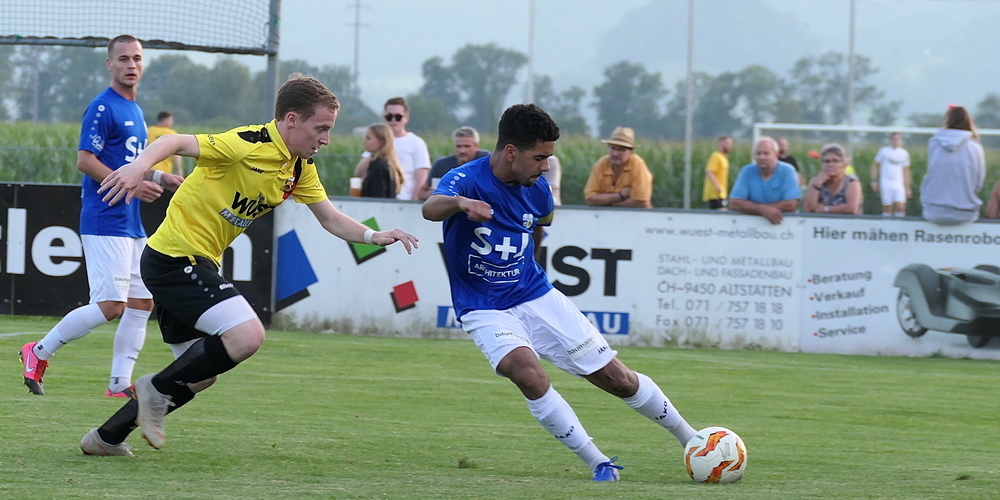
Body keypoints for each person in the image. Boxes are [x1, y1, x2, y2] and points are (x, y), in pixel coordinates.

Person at [79, 73, 419, 457]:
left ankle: (105, 438)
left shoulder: (298, 168)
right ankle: (153, 389)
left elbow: (330, 218)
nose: (325, 139)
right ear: (291, 119)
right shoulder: (246, 143)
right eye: (320, 128)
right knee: (247, 336)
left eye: (329, 130)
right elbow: (175, 141)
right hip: (174, 258)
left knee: (202, 374)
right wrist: (139, 166)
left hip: (195, 263)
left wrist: (376, 236)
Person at [422, 104, 697, 481]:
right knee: (527, 372)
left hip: (535, 294)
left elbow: (536, 231)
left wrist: (526, 269)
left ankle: (693, 440)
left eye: (549, 156)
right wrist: (461, 203)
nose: (546, 166)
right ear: (511, 152)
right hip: (483, 306)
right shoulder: (465, 179)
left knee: (617, 378)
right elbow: (429, 208)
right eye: (540, 157)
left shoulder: (539, 194)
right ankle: (598, 461)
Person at [18, 35, 183, 397]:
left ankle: (118, 383)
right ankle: (38, 351)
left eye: (137, 58)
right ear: (110, 64)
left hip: (131, 221)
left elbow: (129, 164)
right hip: (105, 218)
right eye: (123, 58)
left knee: (142, 302)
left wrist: (159, 177)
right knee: (111, 305)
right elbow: (85, 160)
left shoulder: (136, 112)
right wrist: (133, 185)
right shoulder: (103, 107)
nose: (131, 64)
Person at [355, 97, 431, 201]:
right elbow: (359, 173)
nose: (393, 121)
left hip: (405, 200)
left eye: (398, 117)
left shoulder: (416, 143)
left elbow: (421, 178)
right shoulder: (377, 142)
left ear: (406, 118)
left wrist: (413, 203)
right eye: (389, 117)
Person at [921, 105, 986, 225]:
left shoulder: (934, 143)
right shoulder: (975, 147)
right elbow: (978, 184)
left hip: (934, 212)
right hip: (964, 214)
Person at [728, 136, 800, 225]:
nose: (762, 157)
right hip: (751, 228)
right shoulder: (747, 171)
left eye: (766, 153)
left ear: (776, 154)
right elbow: (734, 202)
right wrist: (762, 210)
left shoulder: (787, 171)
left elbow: (791, 204)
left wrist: (758, 209)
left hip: (784, 227)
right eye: (758, 154)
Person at [583, 127, 653, 208]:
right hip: (604, 217)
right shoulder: (601, 164)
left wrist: (610, 205)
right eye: (613, 148)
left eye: (621, 150)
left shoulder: (638, 166)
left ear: (631, 152)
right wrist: (620, 196)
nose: (615, 153)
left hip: (637, 217)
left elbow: (641, 201)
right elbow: (590, 198)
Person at [417, 126, 490, 201]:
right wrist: (432, 194)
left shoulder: (486, 162)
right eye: (458, 146)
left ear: (477, 146)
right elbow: (421, 193)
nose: (462, 151)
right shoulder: (441, 165)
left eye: (467, 146)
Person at [802, 143, 863, 215]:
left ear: (844, 164)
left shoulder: (851, 183)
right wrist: (817, 185)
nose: (830, 165)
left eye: (835, 161)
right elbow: (808, 209)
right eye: (826, 161)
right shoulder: (815, 182)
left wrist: (824, 209)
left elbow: (851, 208)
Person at [870, 133, 912, 217]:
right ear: (890, 140)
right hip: (886, 182)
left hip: (898, 182)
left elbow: (906, 170)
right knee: (888, 207)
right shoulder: (884, 151)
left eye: (897, 139)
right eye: (894, 139)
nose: (895, 141)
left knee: (901, 206)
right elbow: (875, 165)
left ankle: (899, 225)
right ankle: (887, 226)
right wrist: (873, 180)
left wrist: (907, 187)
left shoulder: (904, 153)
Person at [359, 123, 404, 198]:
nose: (364, 142)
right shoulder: (387, 163)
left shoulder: (378, 165)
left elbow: (378, 194)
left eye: (368, 138)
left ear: (381, 142)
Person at [147, 111, 183, 176]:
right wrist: (179, 169)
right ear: (165, 120)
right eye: (170, 120)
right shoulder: (171, 133)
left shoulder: (149, 131)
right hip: (165, 170)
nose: (172, 122)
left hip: (149, 169)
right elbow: (176, 154)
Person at [702, 135, 732, 209]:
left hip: (722, 193)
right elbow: (709, 171)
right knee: (719, 213)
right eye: (727, 144)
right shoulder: (716, 156)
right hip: (715, 194)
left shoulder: (724, 158)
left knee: (723, 212)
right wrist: (717, 186)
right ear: (721, 144)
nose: (729, 146)